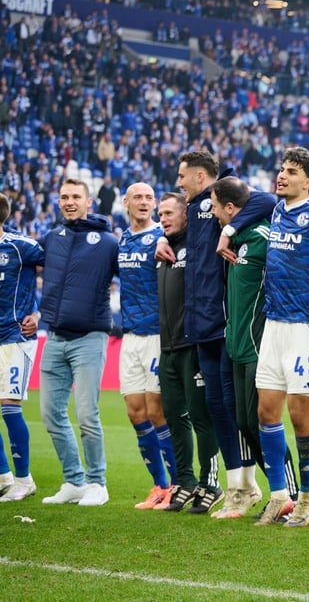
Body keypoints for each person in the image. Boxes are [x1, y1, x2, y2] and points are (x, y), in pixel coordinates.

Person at [157, 150, 276, 515]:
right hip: (200, 325)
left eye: (182, 176)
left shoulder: (223, 196)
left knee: (235, 408)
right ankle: (240, 486)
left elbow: (267, 200)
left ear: (199, 176)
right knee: (215, 408)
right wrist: (159, 242)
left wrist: (228, 228)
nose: (178, 182)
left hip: (225, 322)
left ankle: (262, 486)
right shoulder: (195, 208)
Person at [250, 147, 309, 528]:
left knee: (300, 414)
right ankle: (279, 494)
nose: (282, 175)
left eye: (292, 171)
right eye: (282, 169)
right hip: (274, 323)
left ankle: (308, 497)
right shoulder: (277, 208)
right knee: (266, 410)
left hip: (304, 326)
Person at [38, 178, 118, 506]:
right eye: (64, 197)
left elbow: (134, 277)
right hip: (54, 338)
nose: (69, 201)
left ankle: (97, 482)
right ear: (58, 202)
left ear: (89, 202)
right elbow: (26, 272)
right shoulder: (50, 238)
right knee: (50, 414)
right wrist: (27, 314)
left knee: (87, 414)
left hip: (89, 338)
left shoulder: (108, 242)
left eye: (76, 197)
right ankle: (73, 480)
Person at [207, 177, 270, 520]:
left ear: (230, 209)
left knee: (260, 421)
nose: (214, 214)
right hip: (234, 346)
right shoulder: (237, 241)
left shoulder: (262, 238)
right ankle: (270, 492)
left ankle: (288, 491)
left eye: (216, 207)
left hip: (257, 347)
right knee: (242, 422)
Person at [154, 192, 219, 512]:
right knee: (174, 418)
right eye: (160, 214)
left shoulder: (197, 249)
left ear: (185, 214)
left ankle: (211, 483)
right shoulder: (163, 248)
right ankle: (185, 481)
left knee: (200, 417)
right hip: (167, 348)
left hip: (193, 345)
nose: (162, 218)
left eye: (168, 212)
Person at [117, 182, 177, 509]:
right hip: (129, 337)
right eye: (137, 197)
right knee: (135, 412)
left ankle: (177, 485)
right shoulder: (122, 240)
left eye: (149, 198)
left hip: (157, 335)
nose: (144, 202)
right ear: (125, 202)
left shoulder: (161, 237)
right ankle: (159, 485)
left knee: (158, 412)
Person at [0, 194, 45, 502]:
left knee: (9, 407)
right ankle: (3, 476)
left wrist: (39, 312)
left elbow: (58, 274)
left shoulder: (21, 246)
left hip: (14, 337)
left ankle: (24, 479)